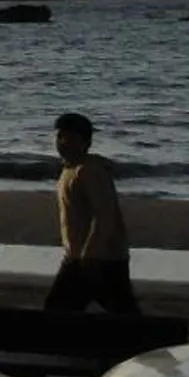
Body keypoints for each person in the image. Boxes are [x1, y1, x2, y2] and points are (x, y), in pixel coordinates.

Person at [48, 112, 141, 314]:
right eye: (60, 136)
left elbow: (104, 214)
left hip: (99, 258)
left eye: (71, 138)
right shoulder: (69, 170)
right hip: (79, 256)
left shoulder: (90, 170)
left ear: (86, 142)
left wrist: (91, 255)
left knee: (58, 310)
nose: (63, 142)